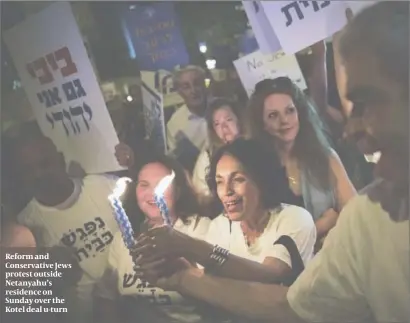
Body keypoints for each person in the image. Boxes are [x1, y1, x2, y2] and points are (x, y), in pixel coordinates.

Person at [132, 2, 409, 322]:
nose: (350, 130)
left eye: (366, 102)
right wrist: (183, 278)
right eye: (222, 181)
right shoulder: (370, 218)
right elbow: (292, 306)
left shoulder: (318, 191)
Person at [134, 139, 316, 287]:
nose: (227, 190)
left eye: (237, 179)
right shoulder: (221, 227)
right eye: (219, 181)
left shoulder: (294, 218)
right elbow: (213, 289)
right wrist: (181, 269)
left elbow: (270, 275)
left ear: (262, 181)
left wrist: (189, 245)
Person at [12, 133, 120, 322]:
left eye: (45, 164)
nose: (39, 174)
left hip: (139, 304)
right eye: (29, 170)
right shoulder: (23, 230)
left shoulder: (105, 186)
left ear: (61, 160)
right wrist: (48, 274)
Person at [94, 154, 212, 323]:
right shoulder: (122, 240)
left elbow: (220, 296)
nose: (152, 193)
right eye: (144, 185)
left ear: (178, 191)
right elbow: (105, 298)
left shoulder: (200, 229)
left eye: (161, 185)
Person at [248, 76, 356, 244]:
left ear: (299, 113)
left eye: (290, 110)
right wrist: (322, 225)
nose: (284, 120)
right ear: (262, 124)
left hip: (335, 252)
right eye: (273, 115)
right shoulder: (257, 171)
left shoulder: (326, 156)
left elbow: (354, 212)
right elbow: (271, 241)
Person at [192, 98, 245, 195]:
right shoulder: (207, 158)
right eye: (217, 124)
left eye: (228, 120)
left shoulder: (255, 147)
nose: (224, 127)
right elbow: (202, 196)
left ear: (239, 121)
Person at [166, 65, 211, 173]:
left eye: (197, 84)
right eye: (186, 87)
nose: (193, 90)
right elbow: (179, 165)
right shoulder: (175, 124)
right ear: (179, 91)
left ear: (204, 85)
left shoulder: (223, 108)